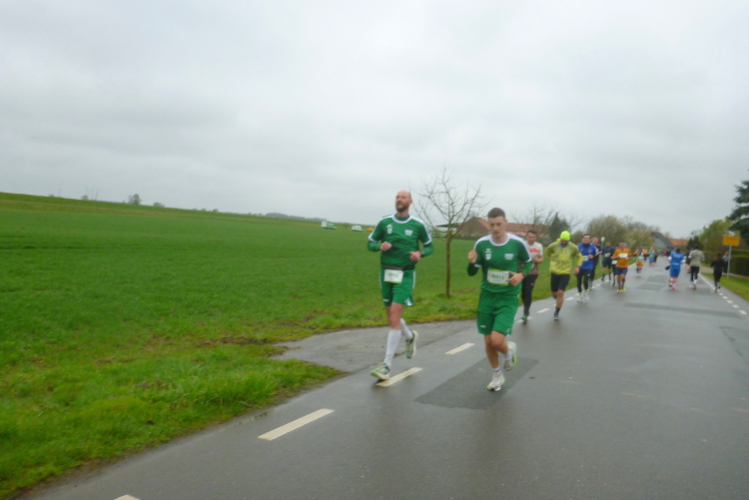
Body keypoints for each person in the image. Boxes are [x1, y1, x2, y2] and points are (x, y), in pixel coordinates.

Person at [367, 190, 434, 380]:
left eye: (403, 197)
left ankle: (386, 365)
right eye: (397, 197)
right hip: (386, 273)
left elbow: (429, 246)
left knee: (395, 314)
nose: (399, 200)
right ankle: (410, 336)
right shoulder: (385, 222)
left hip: (405, 274)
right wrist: (379, 246)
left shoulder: (418, 225)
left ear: (410, 201)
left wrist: (420, 253)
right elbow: (370, 243)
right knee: (392, 318)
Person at [467, 207, 531, 391]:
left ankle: (508, 351)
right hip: (487, 297)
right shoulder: (481, 244)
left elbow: (528, 263)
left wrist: (521, 275)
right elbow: (471, 272)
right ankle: (496, 375)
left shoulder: (517, 243)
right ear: (488, 224)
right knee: (488, 341)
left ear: (505, 223)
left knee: (496, 341)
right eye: (492, 225)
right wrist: (471, 263)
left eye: (499, 224)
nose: (495, 228)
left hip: (507, 297)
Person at [544, 231, 582, 320]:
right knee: (554, 294)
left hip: (565, 272)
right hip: (554, 272)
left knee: (560, 293)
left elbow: (579, 256)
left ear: (569, 240)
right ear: (560, 239)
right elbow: (547, 252)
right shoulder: (554, 245)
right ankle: (558, 299)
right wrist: (553, 258)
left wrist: (578, 267)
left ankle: (556, 312)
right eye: (563, 240)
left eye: (566, 241)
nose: (564, 242)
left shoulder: (573, 247)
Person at [520, 230, 544, 323]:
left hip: (533, 272)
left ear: (536, 237)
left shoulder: (539, 246)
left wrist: (535, 260)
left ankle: (525, 312)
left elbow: (541, 259)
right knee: (523, 292)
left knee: (528, 291)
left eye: (533, 237)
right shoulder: (522, 244)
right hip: (522, 272)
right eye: (530, 237)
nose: (531, 239)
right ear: (526, 237)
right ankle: (525, 307)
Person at [576, 234, 598, 302]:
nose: (586, 239)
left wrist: (593, 256)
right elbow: (574, 255)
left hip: (589, 266)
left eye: (587, 238)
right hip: (580, 266)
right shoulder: (578, 247)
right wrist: (578, 254)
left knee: (585, 280)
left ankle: (585, 293)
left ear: (590, 239)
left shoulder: (593, 247)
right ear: (582, 239)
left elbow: (597, 255)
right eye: (585, 238)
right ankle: (580, 296)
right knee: (579, 281)